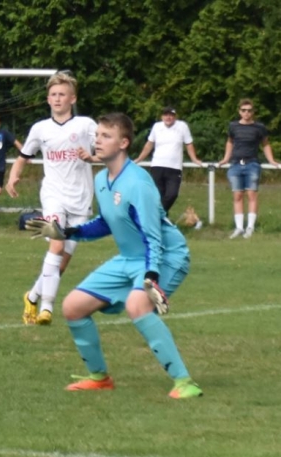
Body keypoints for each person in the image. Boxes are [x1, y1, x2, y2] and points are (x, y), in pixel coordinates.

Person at [25, 112, 202, 399]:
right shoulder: (101, 179)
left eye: (105, 136)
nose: (97, 141)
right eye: (97, 135)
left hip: (165, 256)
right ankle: (99, 378)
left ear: (123, 143)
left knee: (136, 306)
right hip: (130, 258)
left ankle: (185, 382)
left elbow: (152, 235)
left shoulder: (138, 182)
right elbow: (105, 222)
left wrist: (151, 276)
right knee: (72, 306)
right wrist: (65, 232)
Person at [6, 72, 98, 326]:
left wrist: (91, 157)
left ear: (72, 99)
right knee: (56, 245)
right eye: (54, 95)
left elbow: (106, 150)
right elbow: (24, 156)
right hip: (53, 195)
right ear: (48, 99)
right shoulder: (40, 129)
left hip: (80, 198)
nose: (57, 99)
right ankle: (47, 308)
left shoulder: (85, 125)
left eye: (62, 94)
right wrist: (13, 177)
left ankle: (32, 296)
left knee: (62, 262)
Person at [217, 99, 278, 239]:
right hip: (236, 163)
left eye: (249, 110)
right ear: (239, 111)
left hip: (252, 163)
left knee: (252, 195)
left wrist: (271, 160)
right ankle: (239, 227)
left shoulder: (259, 127)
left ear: (253, 112)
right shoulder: (233, 126)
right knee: (237, 195)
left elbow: (265, 144)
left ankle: (250, 227)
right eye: (244, 110)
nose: (246, 113)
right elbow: (230, 142)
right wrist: (226, 158)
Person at [133, 106, 204, 215]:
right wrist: (139, 158)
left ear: (175, 116)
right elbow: (149, 144)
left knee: (172, 194)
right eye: (166, 115)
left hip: (174, 167)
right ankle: (160, 218)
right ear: (162, 116)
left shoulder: (182, 126)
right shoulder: (157, 127)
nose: (168, 117)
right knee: (158, 195)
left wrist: (194, 159)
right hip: (157, 166)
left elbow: (189, 144)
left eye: (171, 115)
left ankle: (159, 214)